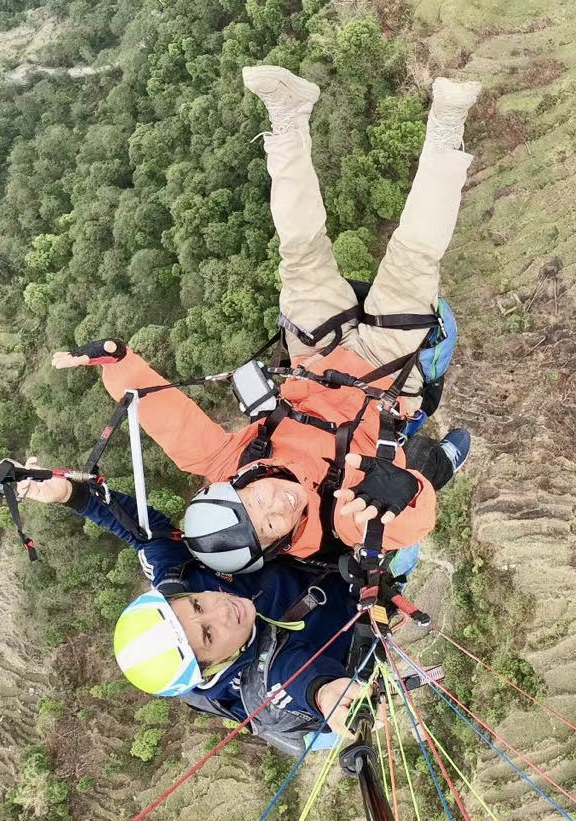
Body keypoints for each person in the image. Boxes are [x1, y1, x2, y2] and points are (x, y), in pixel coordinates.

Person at [51, 66, 480, 576]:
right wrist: (404, 497)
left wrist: (118, 362)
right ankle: (447, 127)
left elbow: (166, 415)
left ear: (236, 488)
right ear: (279, 546)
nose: (276, 508)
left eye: (254, 507)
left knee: (300, 252)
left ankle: (289, 118)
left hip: (314, 360)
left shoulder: (227, 463)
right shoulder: (332, 517)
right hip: (381, 376)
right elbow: (392, 528)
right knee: (413, 258)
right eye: (271, 528)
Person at [20, 475, 378, 751]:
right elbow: (293, 678)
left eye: (196, 606)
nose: (220, 611)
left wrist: (70, 494)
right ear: (213, 666)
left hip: (333, 570)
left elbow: (144, 533)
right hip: (361, 625)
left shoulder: (180, 579)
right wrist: (325, 693)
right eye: (208, 635)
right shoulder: (257, 678)